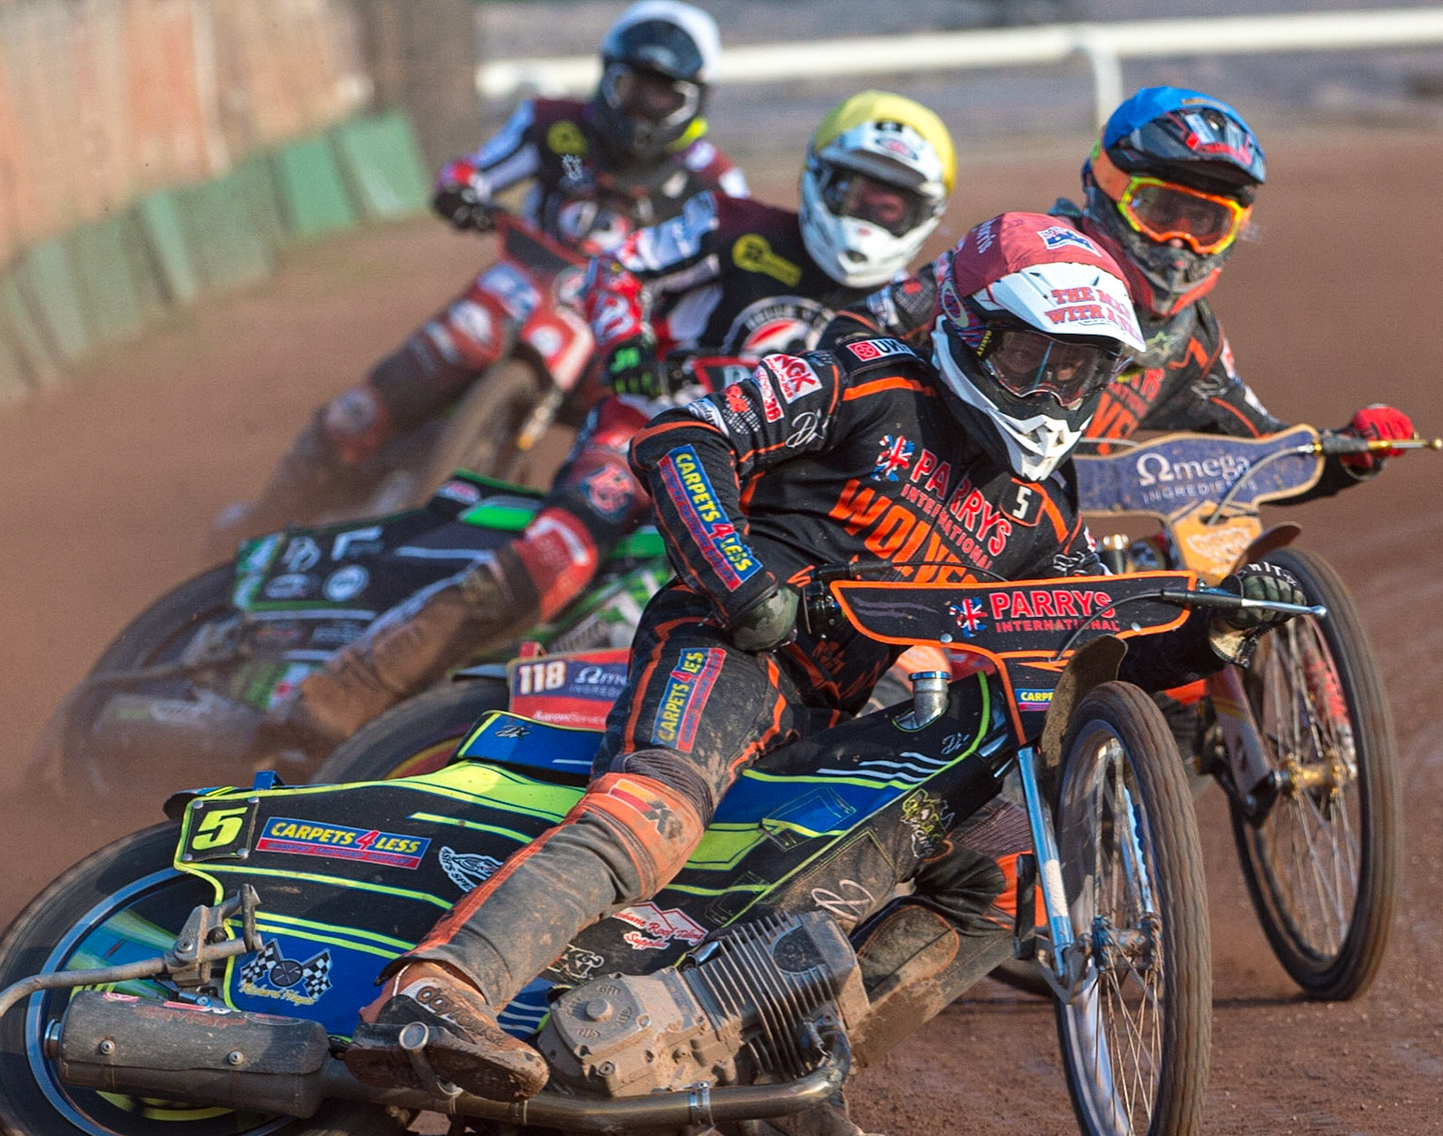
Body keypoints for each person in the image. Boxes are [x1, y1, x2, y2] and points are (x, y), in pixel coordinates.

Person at [341, 212, 1307, 1136]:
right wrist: (739, 579)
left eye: (1080, 371)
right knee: (655, 807)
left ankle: (776, 1065)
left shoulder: (1046, 511)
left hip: (846, 716)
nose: (1054, 394)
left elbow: (1096, 640)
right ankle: (437, 986)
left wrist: (1216, 633)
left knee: (997, 885)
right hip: (726, 644)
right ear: (969, 330)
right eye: (1031, 358)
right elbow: (682, 434)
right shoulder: (865, 379)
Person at [272, 90, 956, 756]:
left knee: (861, 624)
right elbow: (616, 266)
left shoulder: (916, 315)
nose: (867, 215)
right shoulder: (732, 225)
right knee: (557, 551)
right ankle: (338, 695)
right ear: (818, 177)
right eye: (856, 190)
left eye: (889, 204)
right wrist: (626, 340)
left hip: (780, 490)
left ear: (925, 214)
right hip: (651, 427)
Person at [213, 1, 745, 547]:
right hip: (517, 293)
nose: (642, 110)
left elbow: (738, 281)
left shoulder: (715, 185)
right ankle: (264, 517)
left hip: (620, 340)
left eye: (662, 97)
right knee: (360, 412)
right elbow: (473, 170)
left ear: (695, 101)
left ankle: (566, 552)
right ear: (606, 78)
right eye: (632, 88)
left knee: (637, 461)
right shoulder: (556, 129)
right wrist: (462, 193)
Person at [832, 87, 1417, 485]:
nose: (1178, 243)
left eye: (1205, 223)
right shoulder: (1014, 256)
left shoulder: (1189, 340)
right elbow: (859, 328)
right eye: (1160, 211)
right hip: (908, 496)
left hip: (1050, 548)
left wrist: (1348, 450)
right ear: (1106, 190)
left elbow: (1259, 450)